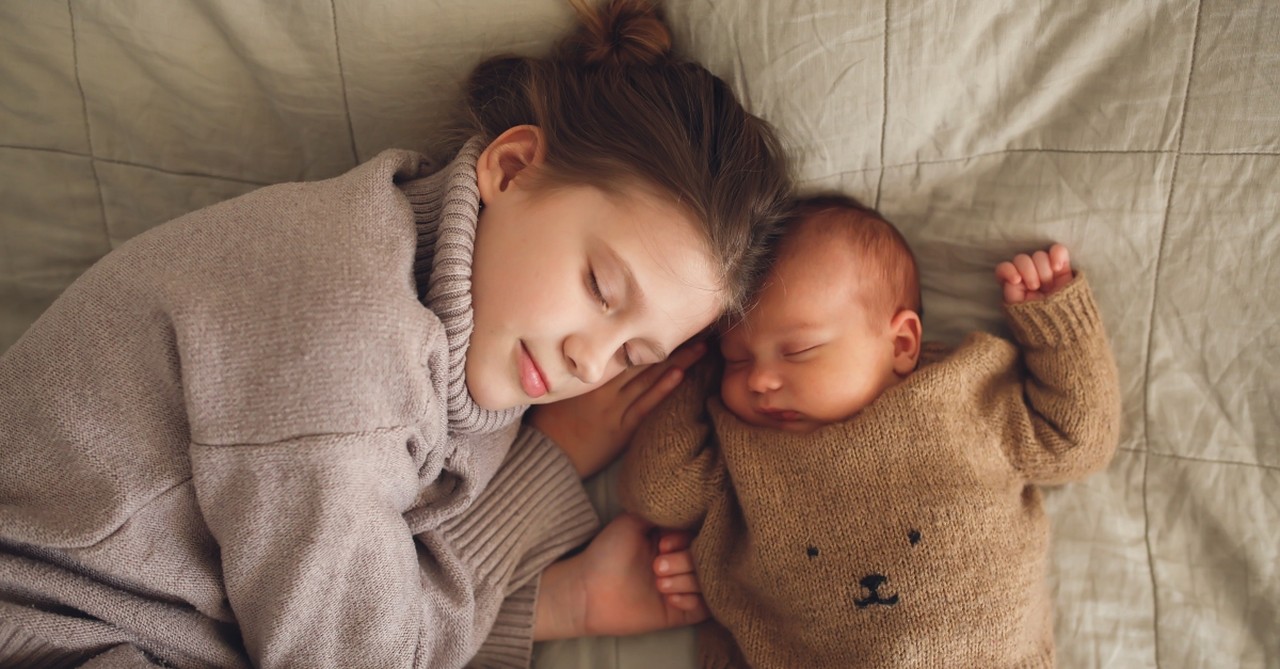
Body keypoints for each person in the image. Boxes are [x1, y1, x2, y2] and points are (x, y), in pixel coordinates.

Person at [0, 0, 793, 666]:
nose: (592, 355)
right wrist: (552, 491)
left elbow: (374, 576)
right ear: (511, 169)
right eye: (599, 287)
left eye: (633, 355)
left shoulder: (464, 321)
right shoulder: (345, 336)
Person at [618, 195, 1122, 668]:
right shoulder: (739, 442)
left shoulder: (962, 398)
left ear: (902, 343)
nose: (760, 380)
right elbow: (658, 493)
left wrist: (1055, 324)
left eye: (797, 352)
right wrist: (695, 363)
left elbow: (1075, 441)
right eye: (738, 359)